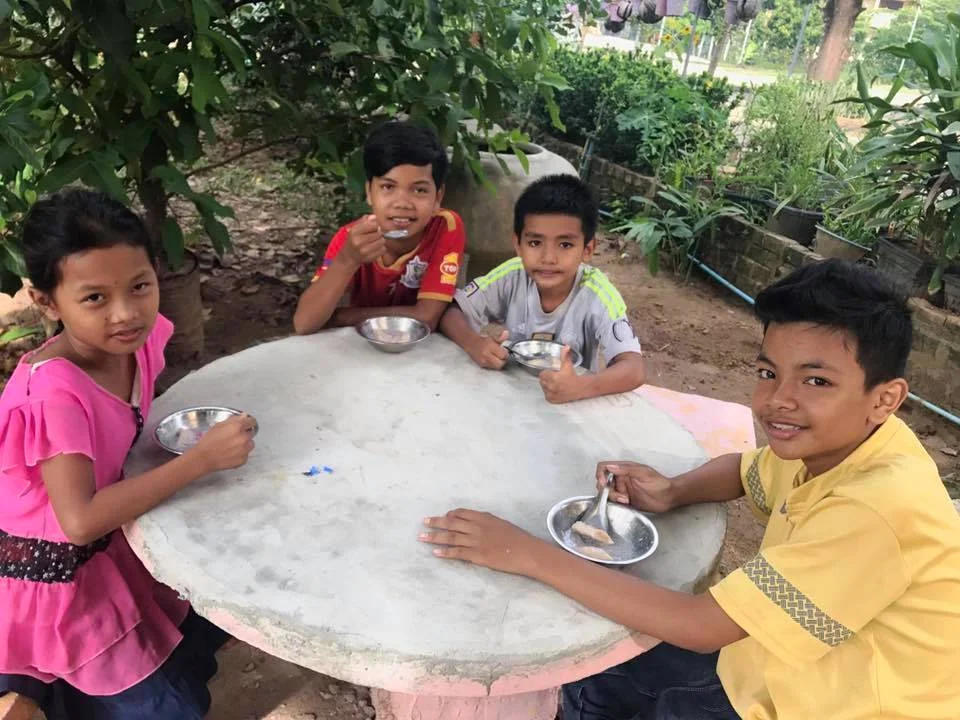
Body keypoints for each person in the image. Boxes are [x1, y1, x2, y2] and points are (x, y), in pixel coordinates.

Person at [421, 259, 960, 719]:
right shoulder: (845, 444)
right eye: (768, 373)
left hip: (827, 704)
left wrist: (524, 553)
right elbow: (745, 470)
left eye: (816, 381)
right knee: (603, 668)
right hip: (773, 664)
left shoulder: (877, 510)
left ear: (884, 399)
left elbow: (702, 626)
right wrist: (672, 491)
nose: (778, 400)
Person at [0, 189, 257, 719]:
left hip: (110, 541)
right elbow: (79, 522)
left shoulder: (134, 343)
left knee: (205, 629)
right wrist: (199, 460)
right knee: (167, 707)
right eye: (95, 298)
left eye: (140, 286)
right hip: (59, 576)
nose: (126, 313)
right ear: (47, 303)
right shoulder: (54, 395)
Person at [440, 174, 645, 404]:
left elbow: (633, 368)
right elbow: (451, 311)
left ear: (588, 249)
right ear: (518, 244)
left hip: (569, 404)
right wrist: (474, 344)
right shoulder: (511, 275)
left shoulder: (598, 295)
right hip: (509, 396)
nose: (548, 258)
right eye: (535, 243)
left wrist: (580, 387)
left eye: (565, 244)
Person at [293, 121, 466, 334]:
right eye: (388, 187)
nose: (402, 203)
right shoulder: (352, 239)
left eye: (419, 190)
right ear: (369, 192)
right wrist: (347, 260)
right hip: (364, 344)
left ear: (437, 198)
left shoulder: (445, 227)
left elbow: (426, 317)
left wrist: (341, 316)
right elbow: (304, 323)